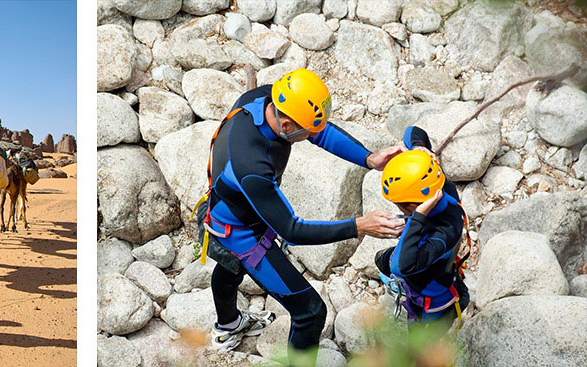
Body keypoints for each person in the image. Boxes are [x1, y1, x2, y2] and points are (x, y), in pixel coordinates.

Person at [198, 68, 406, 361]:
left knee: (232, 268)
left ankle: (228, 325)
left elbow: (318, 133)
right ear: (285, 123)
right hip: (240, 232)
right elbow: (292, 231)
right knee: (310, 312)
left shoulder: (265, 98)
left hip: (232, 205)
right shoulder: (253, 166)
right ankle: (231, 328)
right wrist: (360, 225)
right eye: (306, 131)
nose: (311, 136)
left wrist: (368, 158)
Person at [374, 126, 470, 333]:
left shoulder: (445, 231)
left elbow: (400, 266)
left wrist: (416, 220)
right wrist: (419, 148)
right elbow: (412, 131)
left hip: (433, 300)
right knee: (381, 259)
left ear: (413, 205)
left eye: (398, 203)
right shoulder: (438, 185)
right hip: (430, 269)